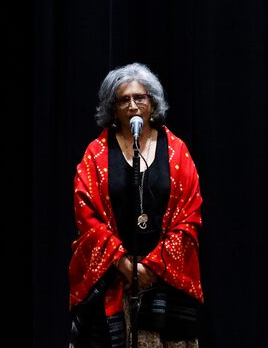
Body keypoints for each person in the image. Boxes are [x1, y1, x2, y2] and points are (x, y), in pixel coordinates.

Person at [68, 62, 203, 348]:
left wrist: (151, 267)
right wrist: (123, 263)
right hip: (114, 279)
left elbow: (190, 214)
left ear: (152, 104)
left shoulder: (177, 151)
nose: (132, 105)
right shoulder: (96, 154)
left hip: (164, 283)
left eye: (139, 97)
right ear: (112, 108)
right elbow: (85, 214)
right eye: (123, 99)